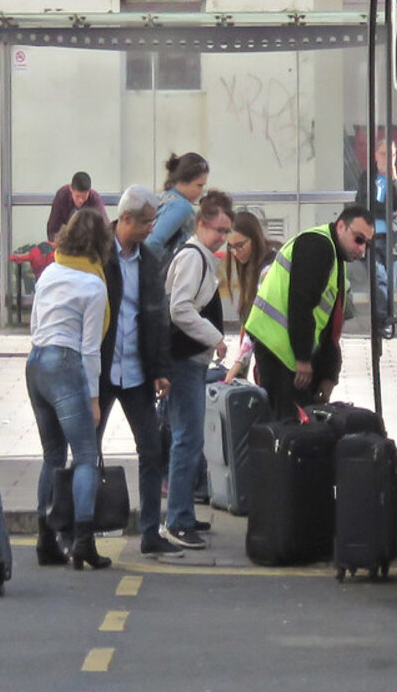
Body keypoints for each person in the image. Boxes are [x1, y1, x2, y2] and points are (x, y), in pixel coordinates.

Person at [96, 186, 183, 558]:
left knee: (150, 449)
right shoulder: (98, 253)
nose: (152, 229)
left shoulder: (148, 259)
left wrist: (161, 369)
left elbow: (157, 316)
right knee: (86, 451)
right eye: (147, 222)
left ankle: (150, 532)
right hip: (100, 372)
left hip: (136, 372)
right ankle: (78, 531)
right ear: (126, 218)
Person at [27, 208, 114, 571]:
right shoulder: (94, 285)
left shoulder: (50, 271)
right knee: (85, 455)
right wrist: (93, 399)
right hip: (65, 362)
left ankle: (45, 540)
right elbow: (90, 348)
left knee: (52, 455)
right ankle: (83, 541)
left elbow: (35, 324)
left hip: (36, 362)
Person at [244, 206, 375, 420]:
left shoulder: (333, 254)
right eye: (358, 239)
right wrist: (303, 359)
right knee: (290, 425)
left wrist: (328, 375)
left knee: (302, 426)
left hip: (288, 353)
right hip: (280, 352)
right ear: (341, 227)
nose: (362, 250)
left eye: (367, 244)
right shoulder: (318, 247)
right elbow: (301, 304)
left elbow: (329, 326)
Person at [161, 190, 232, 550]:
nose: (222, 238)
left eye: (226, 231)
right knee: (187, 439)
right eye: (218, 230)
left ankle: (184, 514)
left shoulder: (199, 255)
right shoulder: (193, 257)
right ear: (201, 224)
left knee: (190, 439)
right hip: (183, 360)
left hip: (189, 359)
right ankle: (176, 520)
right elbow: (180, 309)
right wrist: (214, 337)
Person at [354, 140, 397, 334]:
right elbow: (363, 203)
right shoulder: (367, 178)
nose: (387, 158)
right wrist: (390, 211)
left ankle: (384, 321)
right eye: (384, 154)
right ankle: (384, 322)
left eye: (391, 155)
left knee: (389, 283)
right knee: (379, 279)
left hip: (393, 240)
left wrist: (392, 180)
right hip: (371, 238)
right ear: (376, 156)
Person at [222, 211, 275, 384]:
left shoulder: (269, 268)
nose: (235, 252)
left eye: (239, 245)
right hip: (266, 354)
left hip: (279, 357)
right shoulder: (250, 266)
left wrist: (238, 365)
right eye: (230, 247)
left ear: (255, 239)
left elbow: (256, 320)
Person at [146, 152, 209, 259]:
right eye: (199, 185)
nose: (201, 192)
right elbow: (152, 243)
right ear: (183, 181)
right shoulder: (181, 206)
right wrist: (170, 265)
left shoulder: (163, 198)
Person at [46, 171, 108, 243]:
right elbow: (53, 228)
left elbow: (104, 228)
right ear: (71, 189)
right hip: (65, 242)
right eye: (77, 196)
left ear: (89, 192)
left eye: (84, 197)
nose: (80, 200)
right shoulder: (62, 195)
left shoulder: (95, 199)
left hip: (88, 242)